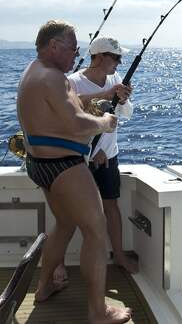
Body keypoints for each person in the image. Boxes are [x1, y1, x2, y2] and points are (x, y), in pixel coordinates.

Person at [16, 20, 131, 324]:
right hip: (64, 164)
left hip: (39, 165)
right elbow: (77, 124)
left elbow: (71, 104)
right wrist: (105, 123)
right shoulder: (53, 77)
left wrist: (103, 95)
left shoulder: (36, 72)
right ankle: (98, 311)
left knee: (65, 223)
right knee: (95, 229)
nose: (76, 54)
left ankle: (44, 287)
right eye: (72, 48)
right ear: (53, 46)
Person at [51, 36, 137, 282]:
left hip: (109, 155)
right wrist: (90, 152)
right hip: (80, 160)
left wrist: (122, 100)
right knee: (68, 217)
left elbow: (126, 114)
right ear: (99, 57)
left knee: (112, 206)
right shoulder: (73, 82)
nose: (119, 63)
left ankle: (119, 255)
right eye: (115, 58)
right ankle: (58, 264)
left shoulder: (115, 79)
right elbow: (69, 118)